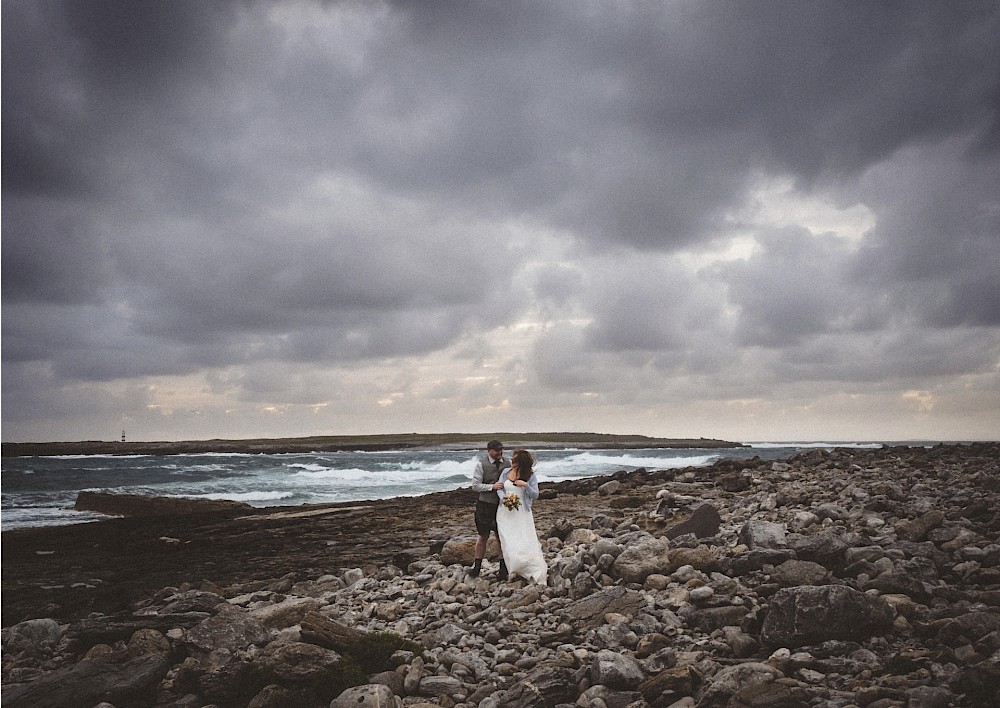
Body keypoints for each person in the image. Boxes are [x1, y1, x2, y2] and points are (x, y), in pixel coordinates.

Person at [496, 449, 547, 584]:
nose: (512, 461)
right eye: (512, 459)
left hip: (522, 513)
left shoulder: (529, 475)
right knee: (508, 540)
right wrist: (504, 499)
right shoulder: (505, 472)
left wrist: (526, 485)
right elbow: (500, 488)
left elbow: (535, 495)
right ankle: (512, 570)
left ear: (522, 462)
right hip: (504, 512)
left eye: (515, 460)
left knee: (523, 539)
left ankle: (528, 568)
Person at [469, 439, 510, 579]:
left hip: (502, 506)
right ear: (489, 451)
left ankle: (503, 570)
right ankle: (477, 568)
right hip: (485, 506)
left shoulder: (508, 463)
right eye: (497, 450)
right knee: (483, 536)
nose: (500, 452)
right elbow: (475, 486)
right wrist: (491, 487)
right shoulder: (481, 465)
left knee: (501, 537)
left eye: (501, 449)